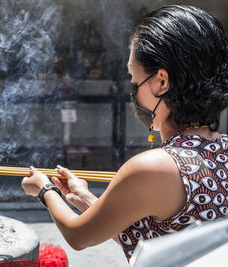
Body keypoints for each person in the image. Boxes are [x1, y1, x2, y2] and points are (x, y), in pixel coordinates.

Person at [21, 5, 228, 261]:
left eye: (133, 77)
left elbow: (78, 235)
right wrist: (84, 198)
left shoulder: (154, 167)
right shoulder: (223, 150)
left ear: (161, 82)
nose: (131, 88)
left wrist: (44, 189)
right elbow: (152, 239)